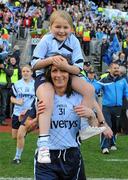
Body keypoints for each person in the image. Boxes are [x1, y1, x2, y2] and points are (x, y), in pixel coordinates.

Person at [31, 10, 107, 163]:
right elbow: (34, 64)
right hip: (45, 75)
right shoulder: (46, 40)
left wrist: (65, 66)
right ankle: (44, 143)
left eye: (66, 27)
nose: (61, 31)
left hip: (67, 73)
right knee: (46, 99)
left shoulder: (74, 41)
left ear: (71, 28)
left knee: (89, 89)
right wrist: (52, 60)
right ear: (50, 27)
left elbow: (78, 68)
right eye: (57, 27)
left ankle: (84, 126)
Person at [35, 61, 112, 180]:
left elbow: (93, 127)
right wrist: (36, 119)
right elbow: (25, 127)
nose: (59, 75)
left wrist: (91, 116)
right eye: (54, 71)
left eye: (63, 71)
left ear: (70, 74)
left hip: (72, 156)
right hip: (46, 158)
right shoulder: (43, 98)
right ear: (49, 75)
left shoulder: (80, 97)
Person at [97, 62, 128, 154]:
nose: (117, 70)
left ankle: (112, 144)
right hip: (107, 107)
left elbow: (126, 92)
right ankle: (104, 147)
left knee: (115, 126)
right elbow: (95, 88)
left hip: (118, 107)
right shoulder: (104, 80)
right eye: (115, 68)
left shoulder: (123, 80)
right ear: (110, 69)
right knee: (107, 126)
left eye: (118, 68)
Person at [11, 64, 35, 162]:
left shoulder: (35, 85)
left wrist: (30, 109)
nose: (25, 73)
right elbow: (12, 98)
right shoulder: (16, 84)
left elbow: (38, 99)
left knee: (20, 135)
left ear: (31, 72)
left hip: (28, 114)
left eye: (27, 71)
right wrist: (17, 102)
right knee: (15, 136)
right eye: (23, 71)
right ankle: (23, 133)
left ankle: (17, 158)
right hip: (17, 113)